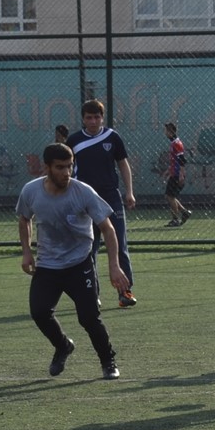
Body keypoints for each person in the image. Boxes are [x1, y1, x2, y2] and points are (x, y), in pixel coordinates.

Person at [16, 142, 130, 379]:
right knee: (39, 312)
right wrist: (26, 251)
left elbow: (108, 229)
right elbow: (24, 218)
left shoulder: (83, 191)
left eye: (70, 166)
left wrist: (114, 266)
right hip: (48, 264)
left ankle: (108, 361)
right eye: (60, 167)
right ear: (47, 168)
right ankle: (63, 345)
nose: (66, 172)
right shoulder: (31, 191)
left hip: (80, 264)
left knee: (89, 318)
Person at [65, 99, 138, 306]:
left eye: (97, 117)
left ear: (102, 118)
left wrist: (129, 192)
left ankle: (125, 292)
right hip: (84, 201)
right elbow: (65, 169)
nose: (93, 121)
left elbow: (123, 164)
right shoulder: (74, 141)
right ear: (83, 119)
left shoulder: (112, 137)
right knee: (89, 248)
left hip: (111, 198)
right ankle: (92, 294)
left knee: (119, 245)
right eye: (89, 117)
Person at [162, 121, 192, 227]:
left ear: (171, 132)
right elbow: (175, 160)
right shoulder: (173, 143)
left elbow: (182, 160)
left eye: (166, 131)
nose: (165, 133)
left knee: (170, 196)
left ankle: (175, 219)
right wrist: (168, 170)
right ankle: (184, 212)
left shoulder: (177, 143)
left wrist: (181, 174)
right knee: (170, 196)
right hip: (174, 173)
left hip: (177, 174)